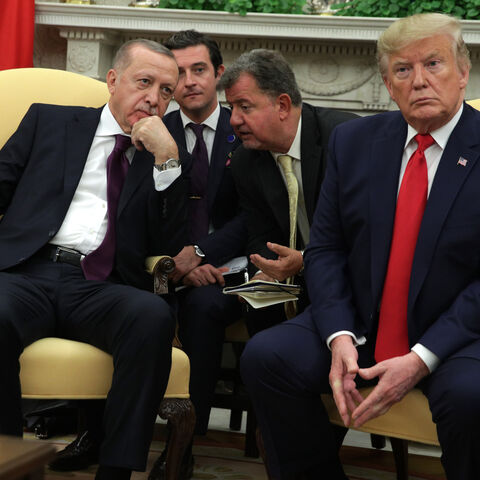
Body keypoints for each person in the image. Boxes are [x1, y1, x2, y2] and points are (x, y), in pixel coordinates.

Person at [240, 12, 480, 480]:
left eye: (434, 64)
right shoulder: (354, 141)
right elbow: (327, 248)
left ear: (463, 72)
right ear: (388, 85)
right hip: (362, 321)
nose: (420, 81)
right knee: (268, 358)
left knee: (470, 397)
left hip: (455, 335)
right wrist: (339, 336)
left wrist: (421, 358)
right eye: (403, 70)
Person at [0, 39, 190, 480]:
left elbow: (172, 238)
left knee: (152, 316)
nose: (154, 98)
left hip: (102, 285)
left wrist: (167, 159)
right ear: (113, 80)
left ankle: (117, 471)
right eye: (145, 82)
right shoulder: (50, 121)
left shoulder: (168, 153)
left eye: (166, 91)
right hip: (28, 271)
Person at [146, 30, 246, 480]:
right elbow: (142, 212)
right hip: (166, 268)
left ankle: (184, 443)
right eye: (178, 74)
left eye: (198, 70)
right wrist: (175, 266)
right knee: (125, 297)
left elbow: (252, 217)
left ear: (219, 74)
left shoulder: (243, 129)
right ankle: (103, 428)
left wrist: (205, 255)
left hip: (229, 268)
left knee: (204, 308)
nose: (188, 82)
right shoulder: (151, 132)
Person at [219, 49, 356, 334]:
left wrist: (306, 260)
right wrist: (265, 268)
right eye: (231, 107)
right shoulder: (245, 160)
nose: (233, 120)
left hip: (351, 276)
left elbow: (365, 232)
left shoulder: (345, 137)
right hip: (293, 283)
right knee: (259, 315)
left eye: (244, 107)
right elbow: (260, 233)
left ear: (282, 105)